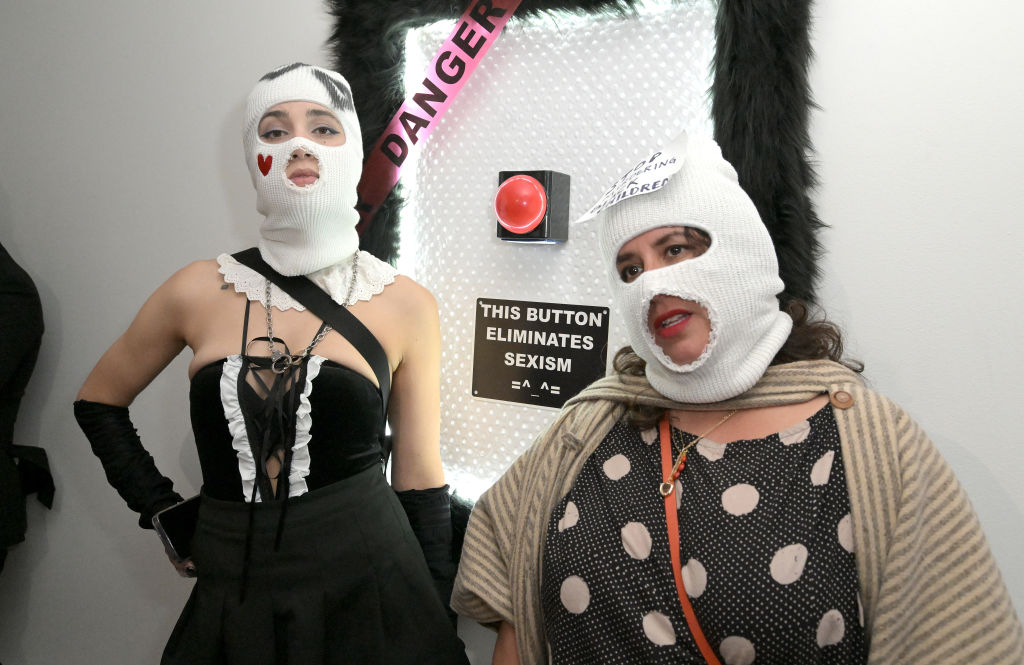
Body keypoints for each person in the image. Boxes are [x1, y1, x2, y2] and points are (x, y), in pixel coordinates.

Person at [451, 133, 1024, 664]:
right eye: (630, 269)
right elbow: (513, 601)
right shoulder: (588, 427)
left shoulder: (872, 442)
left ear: (741, 250)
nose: (652, 284)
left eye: (675, 249)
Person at [74, 63, 468, 665]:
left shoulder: (405, 303)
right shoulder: (196, 289)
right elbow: (98, 402)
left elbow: (418, 474)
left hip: (372, 582)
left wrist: (434, 611)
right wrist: (161, 510)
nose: (299, 145)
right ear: (251, 154)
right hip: (234, 585)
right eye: (275, 130)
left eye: (323, 127)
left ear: (352, 149)